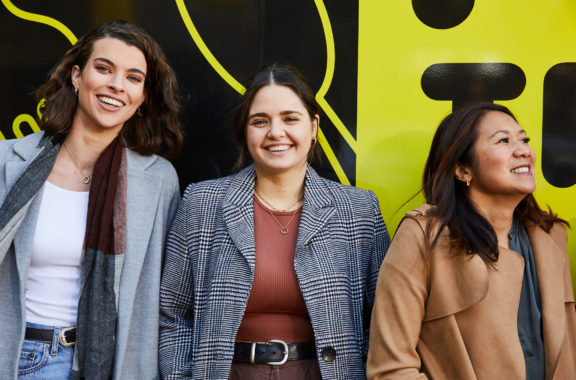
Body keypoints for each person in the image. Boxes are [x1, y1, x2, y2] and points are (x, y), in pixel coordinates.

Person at [159, 64, 390, 380]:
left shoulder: (358, 210)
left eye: (290, 118)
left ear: (313, 127)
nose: (275, 132)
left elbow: (385, 319)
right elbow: (171, 313)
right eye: (260, 121)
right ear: (245, 131)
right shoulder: (202, 204)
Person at [0, 21, 184, 379]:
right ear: (76, 76)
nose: (116, 85)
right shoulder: (7, 161)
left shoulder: (158, 181)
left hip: (101, 364)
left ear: (143, 96)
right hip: (14, 355)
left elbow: (160, 299)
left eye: (134, 77)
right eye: (104, 69)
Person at [366, 102, 576, 379]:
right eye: (503, 140)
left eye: (524, 139)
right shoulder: (424, 235)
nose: (524, 150)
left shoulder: (551, 237)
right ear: (463, 170)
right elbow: (391, 369)